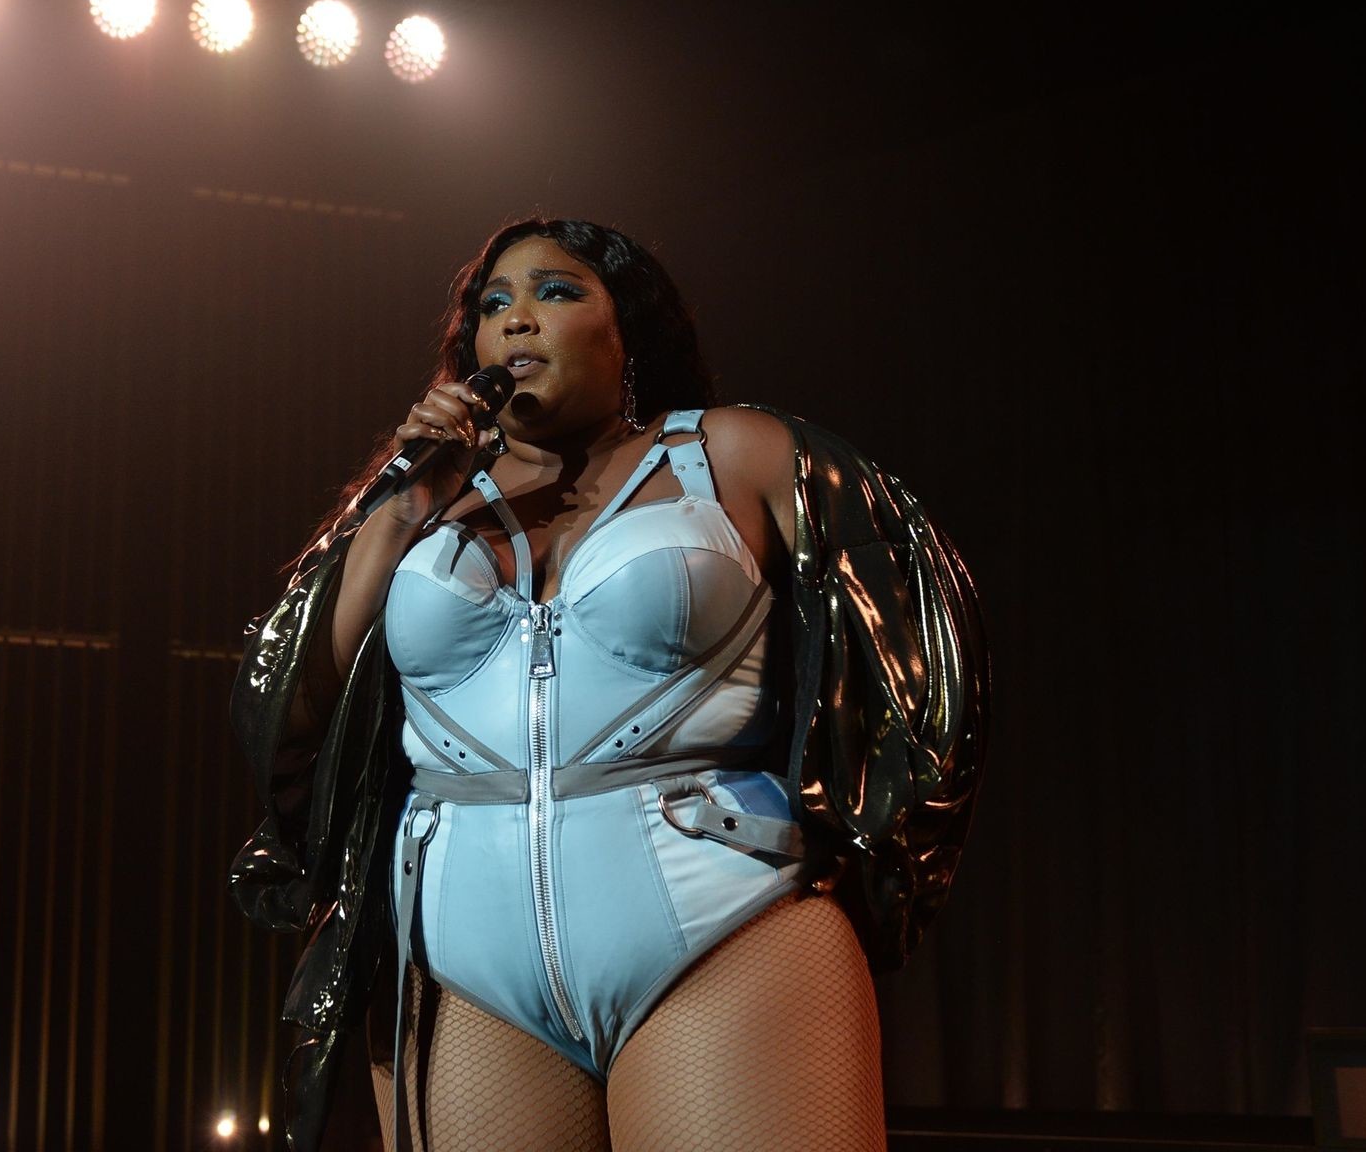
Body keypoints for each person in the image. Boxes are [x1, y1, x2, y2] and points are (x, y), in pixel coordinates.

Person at [230, 219, 988, 1151]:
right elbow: (298, 704)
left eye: (555, 292)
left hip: (722, 924)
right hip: (459, 962)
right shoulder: (427, 500)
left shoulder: (733, 453)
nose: (517, 320)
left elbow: (911, 632)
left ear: (627, 328)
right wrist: (400, 506)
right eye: (494, 304)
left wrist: (869, 846)